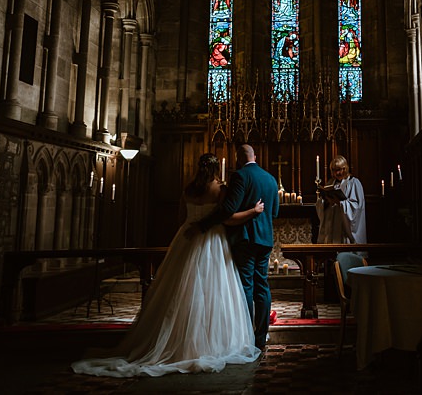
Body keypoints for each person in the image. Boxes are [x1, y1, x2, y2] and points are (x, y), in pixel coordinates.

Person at [71, 153, 265, 377]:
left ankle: (177, 337)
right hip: (212, 240)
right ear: (214, 170)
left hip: (186, 238)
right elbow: (227, 218)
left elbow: (181, 218)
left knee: (181, 286)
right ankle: (210, 340)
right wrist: (253, 211)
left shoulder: (188, 190)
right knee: (214, 289)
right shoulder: (220, 190)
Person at [188, 143, 280, 351]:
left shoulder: (240, 176)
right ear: (255, 156)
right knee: (262, 285)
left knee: (246, 285)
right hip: (265, 239)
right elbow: (274, 212)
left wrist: (203, 225)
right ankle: (261, 336)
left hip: (246, 238)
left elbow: (228, 209)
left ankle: (247, 333)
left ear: (239, 158)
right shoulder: (270, 178)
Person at [315, 155, 366, 244]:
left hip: (344, 227)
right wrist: (325, 202)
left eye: (339, 170)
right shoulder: (330, 183)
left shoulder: (354, 183)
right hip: (332, 225)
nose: (337, 173)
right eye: (334, 170)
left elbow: (357, 207)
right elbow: (320, 204)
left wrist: (341, 203)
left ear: (345, 168)